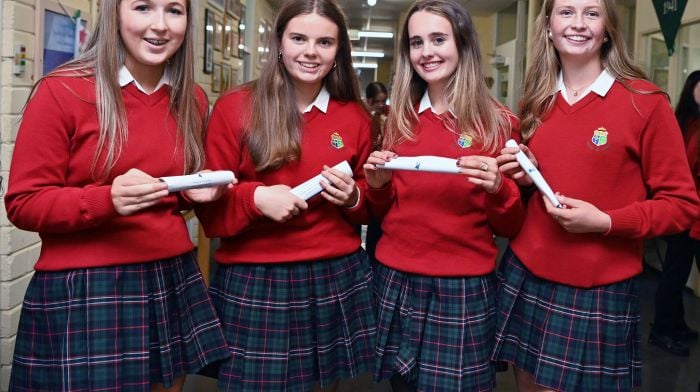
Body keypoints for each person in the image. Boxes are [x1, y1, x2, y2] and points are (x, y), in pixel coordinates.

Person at [4, 0, 234, 390]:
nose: (160, 25)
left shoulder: (191, 99)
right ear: (114, 13)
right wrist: (106, 200)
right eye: (143, 7)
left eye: (174, 11)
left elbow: (165, 196)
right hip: (87, 285)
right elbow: (24, 203)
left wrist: (196, 192)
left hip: (171, 273)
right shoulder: (62, 91)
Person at [492, 0, 700, 390]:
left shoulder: (644, 102)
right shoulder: (535, 100)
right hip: (525, 270)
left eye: (592, 12)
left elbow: (682, 206)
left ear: (608, 28)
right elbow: (534, 190)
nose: (578, 24)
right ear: (549, 26)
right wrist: (522, 176)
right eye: (566, 12)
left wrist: (606, 221)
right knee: (528, 385)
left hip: (595, 285)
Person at [194, 0, 376, 391]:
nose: (311, 51)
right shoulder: (235, 108)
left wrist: (353, 198)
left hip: (335, 275)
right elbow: (209, 217)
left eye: (324, 42)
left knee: (323, 384)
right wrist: (255, 198)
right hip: (257, 278)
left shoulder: (355, 117)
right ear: (279, 43)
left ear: (337, 52)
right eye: (298, 38)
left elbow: (370, 210)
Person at [363, 1, 523, 390]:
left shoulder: (499, 122)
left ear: (463, 43)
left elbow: (510, 225)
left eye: (438, 39)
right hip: (396, 276)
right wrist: (378, 185)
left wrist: (498, 188)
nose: (426, 52)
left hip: (462, 284)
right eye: (416, 42)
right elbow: (384, 209)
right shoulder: (399, 119)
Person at [649, 69, 700, 356]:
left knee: (676, 272)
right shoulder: (687, 125)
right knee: (675, 274)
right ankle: (663, 329)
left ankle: (675, 324)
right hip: (686, 213)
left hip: (687, 214)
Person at [364, 81, 390, 261]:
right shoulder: (364, 117)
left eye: (384, 101)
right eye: (377, 102)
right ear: (369, 100)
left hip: (387, 172)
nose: (381, 105)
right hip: (370, 171)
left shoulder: (390, 114)